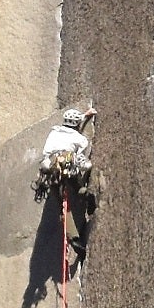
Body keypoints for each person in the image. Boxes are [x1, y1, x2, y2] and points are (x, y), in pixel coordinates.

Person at [32, 106, 97, 267]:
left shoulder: (53, 132)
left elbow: (69, 129)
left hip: (50, 171)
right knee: (85, 173)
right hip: (68, 169)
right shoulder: (80, 139)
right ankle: (88, 198)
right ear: (77, 124)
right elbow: (81, 156)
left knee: (62, 207)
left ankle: (75, 239)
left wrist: (85, 115)